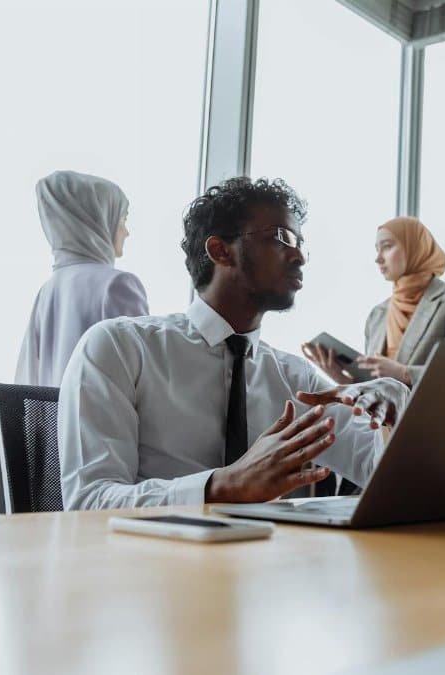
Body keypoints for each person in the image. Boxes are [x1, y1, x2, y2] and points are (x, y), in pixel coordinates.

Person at [58, 177, 409, 510]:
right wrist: (221, 486)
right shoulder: (121, 347)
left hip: (268, 565)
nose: (300, 256)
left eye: (300, 243)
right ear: (221, 251)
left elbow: (382, 477)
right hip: (151, 566)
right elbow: (89, 500)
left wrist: (395, 419)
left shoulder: (297, 379)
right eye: (282, 237)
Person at [302, 216, 445, 387]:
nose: (378, 259)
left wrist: (405, 373)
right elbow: (379, 391)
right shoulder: (378, 314)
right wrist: (344, 380)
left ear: (415, 248)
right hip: (387, 419)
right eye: (377, 250)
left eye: (387, 247)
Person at [15, 170, 148, 386]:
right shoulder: (117, 285)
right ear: (99, 220)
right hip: (103, 419)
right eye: (123, 219)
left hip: (56, 420)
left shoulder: (49, 289)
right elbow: (141, 377)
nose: (126, 232)